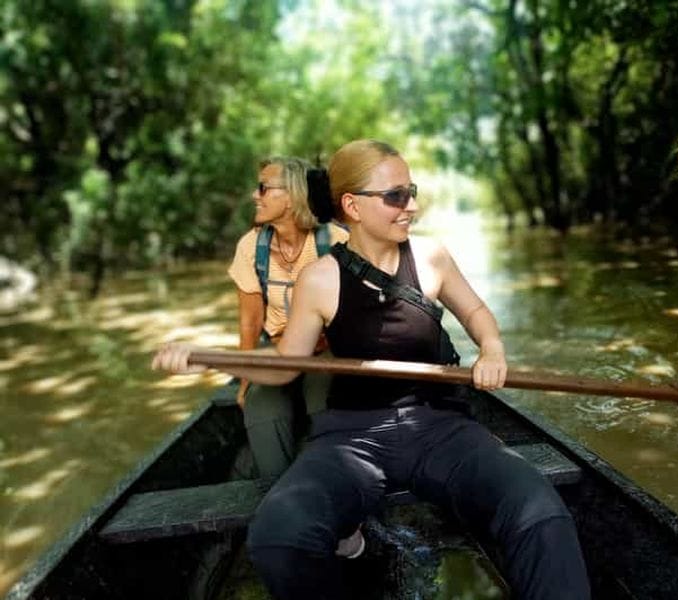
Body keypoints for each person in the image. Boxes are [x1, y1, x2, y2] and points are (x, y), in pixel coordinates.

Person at [153, 140, 590, 599]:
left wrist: (493, 350)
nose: (412, 207)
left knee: (540, 510)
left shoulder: (431, 258)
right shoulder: (320, 278)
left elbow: (478, 314)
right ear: (352, 206)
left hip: (440, 426)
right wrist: (205, 358)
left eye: (412, 191)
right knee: (277, 537)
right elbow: (285, 368)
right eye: (397, 196)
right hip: (351, 437)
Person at [228, 156, 348, 491]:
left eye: (264, 187)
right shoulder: (252, 246)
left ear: (293, 195)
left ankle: (332, 489)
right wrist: (243, 379)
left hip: (327, 350)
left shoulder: (336, 242)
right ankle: (282, 500)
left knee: (324, 404)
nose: (255, 194)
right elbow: (250, 320)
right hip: (278, 349)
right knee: (263, 411)